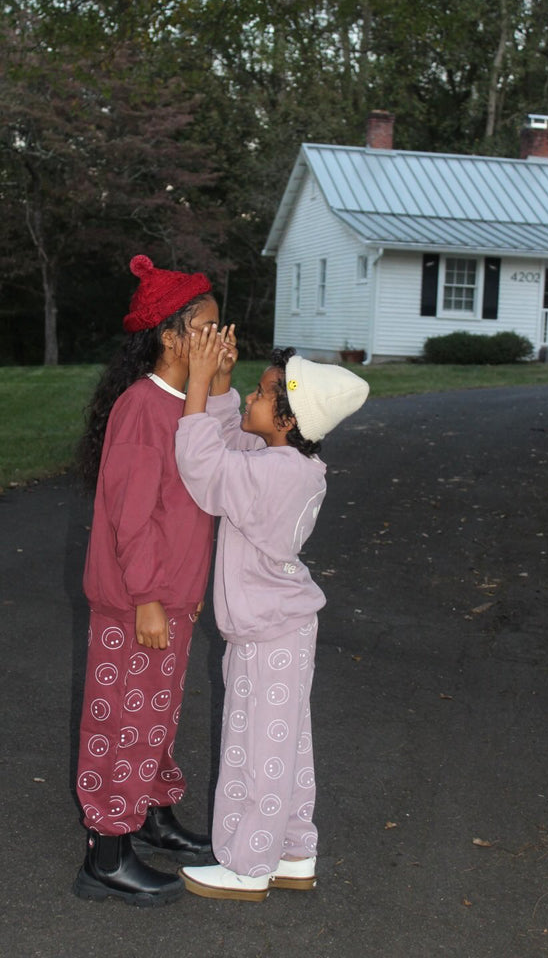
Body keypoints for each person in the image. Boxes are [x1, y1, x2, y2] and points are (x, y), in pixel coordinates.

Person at [174, 326, 370, 901]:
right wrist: (224, 386)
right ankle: (291, 851)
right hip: (279, 628)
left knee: (256, 748)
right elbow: (233, 443)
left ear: (287, 419)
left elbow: (205, 467)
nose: (252, 401)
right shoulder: (284, 462)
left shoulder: (274, 474)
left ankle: (247, 864)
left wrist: (199, 382)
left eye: (261, 394)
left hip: (267, 632)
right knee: (283, 744)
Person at [73, 253, 230, 908]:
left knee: (156, 718)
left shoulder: (187, 404)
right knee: (122, 724)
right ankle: (107, 854)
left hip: (175, 597)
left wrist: (218, 379)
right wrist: (144, 600)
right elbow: (129, 519)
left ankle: (153, 817)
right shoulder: (142, 410)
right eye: (210, 328)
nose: (224, 338)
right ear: (171, 336)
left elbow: (222, 460)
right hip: (141, 601)